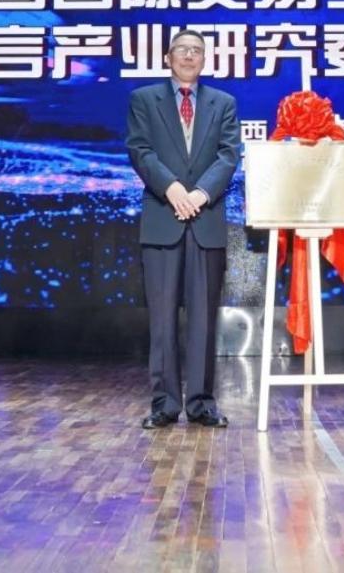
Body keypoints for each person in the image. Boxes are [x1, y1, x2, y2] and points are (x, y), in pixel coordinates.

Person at [125, 29, 241, 429]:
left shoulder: (223, 103)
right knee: (162, 319)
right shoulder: (144, 99)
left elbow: (228, 156)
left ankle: (202, 402)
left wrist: (200, 194)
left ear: (204, 59)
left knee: (203, 319)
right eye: (182, 50)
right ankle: (165, 403)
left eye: (197, 51)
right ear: (168, 57)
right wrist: (173, 189)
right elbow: (140, 150)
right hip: (163, 218)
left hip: (205, 221)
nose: (189, 56)